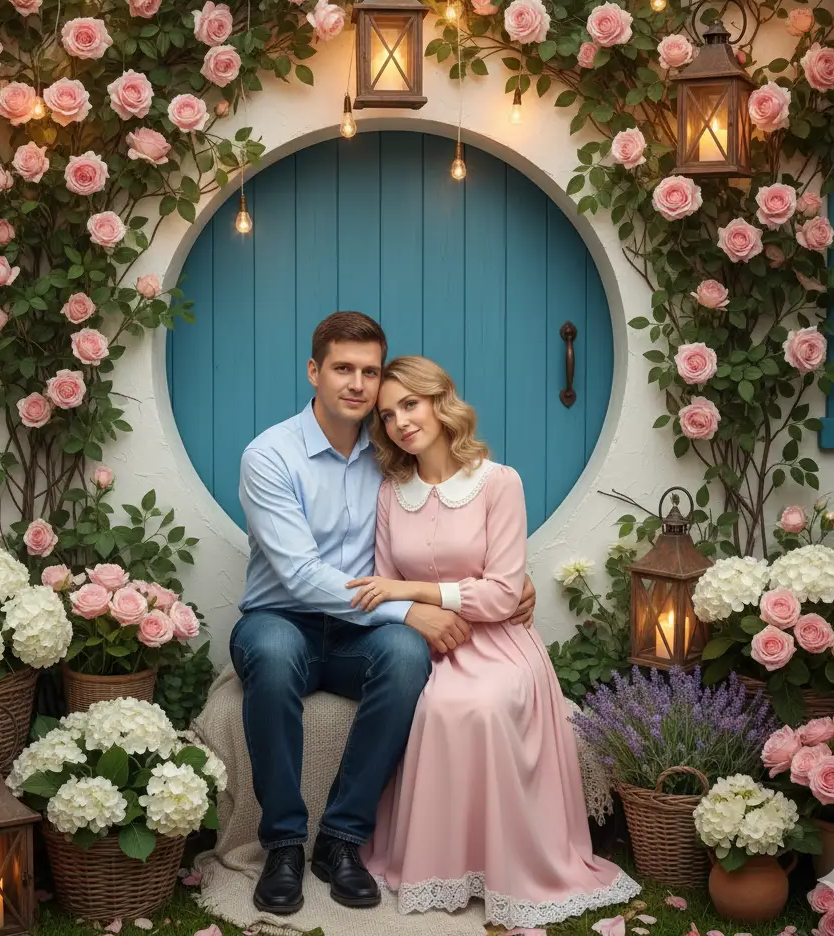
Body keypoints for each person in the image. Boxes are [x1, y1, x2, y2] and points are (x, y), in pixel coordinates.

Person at [231, 312, 536, 916]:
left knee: (402, 656)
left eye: (370, 372)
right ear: (314, 371)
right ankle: (285, 845)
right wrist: (405, 609)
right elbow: (300, 575)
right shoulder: (269, 455)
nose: (358, 384)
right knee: (274, 650)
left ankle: (341, 840)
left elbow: (445, 527)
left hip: (357, 631)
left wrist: (512, 582)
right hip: (281, 618)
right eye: (343, 368)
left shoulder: (392, 454)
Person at [352, 355, 641, 930]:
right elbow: (383, 594)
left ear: (440, 402)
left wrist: (414, 589)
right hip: (427, 644)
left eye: (410, 404)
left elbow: (503, 596)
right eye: (386, 415)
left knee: (481, 705)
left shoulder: (498, 483)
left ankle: (504, 867)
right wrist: (414, 606)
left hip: (501, 645)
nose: (400, 422)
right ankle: (440, 868)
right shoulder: (390, 493)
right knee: (432, 705)